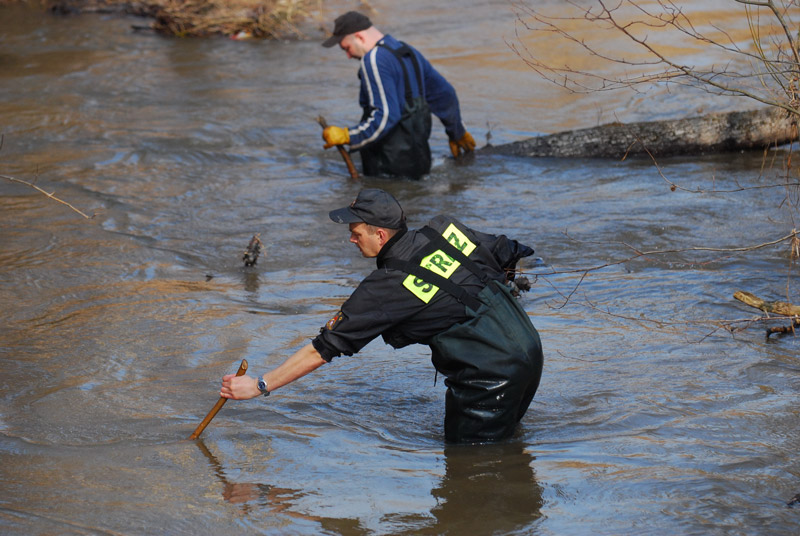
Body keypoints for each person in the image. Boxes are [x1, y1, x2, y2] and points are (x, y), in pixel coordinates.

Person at [220, 189, 543, 443]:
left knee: (472, 468)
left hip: (489, 377)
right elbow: (511, 250)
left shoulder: (386, 286)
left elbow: (323, 348)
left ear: (381, 235)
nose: (350, 239)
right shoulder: (445, 230)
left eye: (356, 233)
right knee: (504, 447)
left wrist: (260, 385)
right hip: (528, 349)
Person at [319, 11, 476, 179]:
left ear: (359, 37)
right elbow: (445, 95)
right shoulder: (407, 51)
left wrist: (349, 136)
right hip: (421, 161)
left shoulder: (373, 59)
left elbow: (386, 116)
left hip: (388, 165)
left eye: (346, 49)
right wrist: (457, 132)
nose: (348, 56)